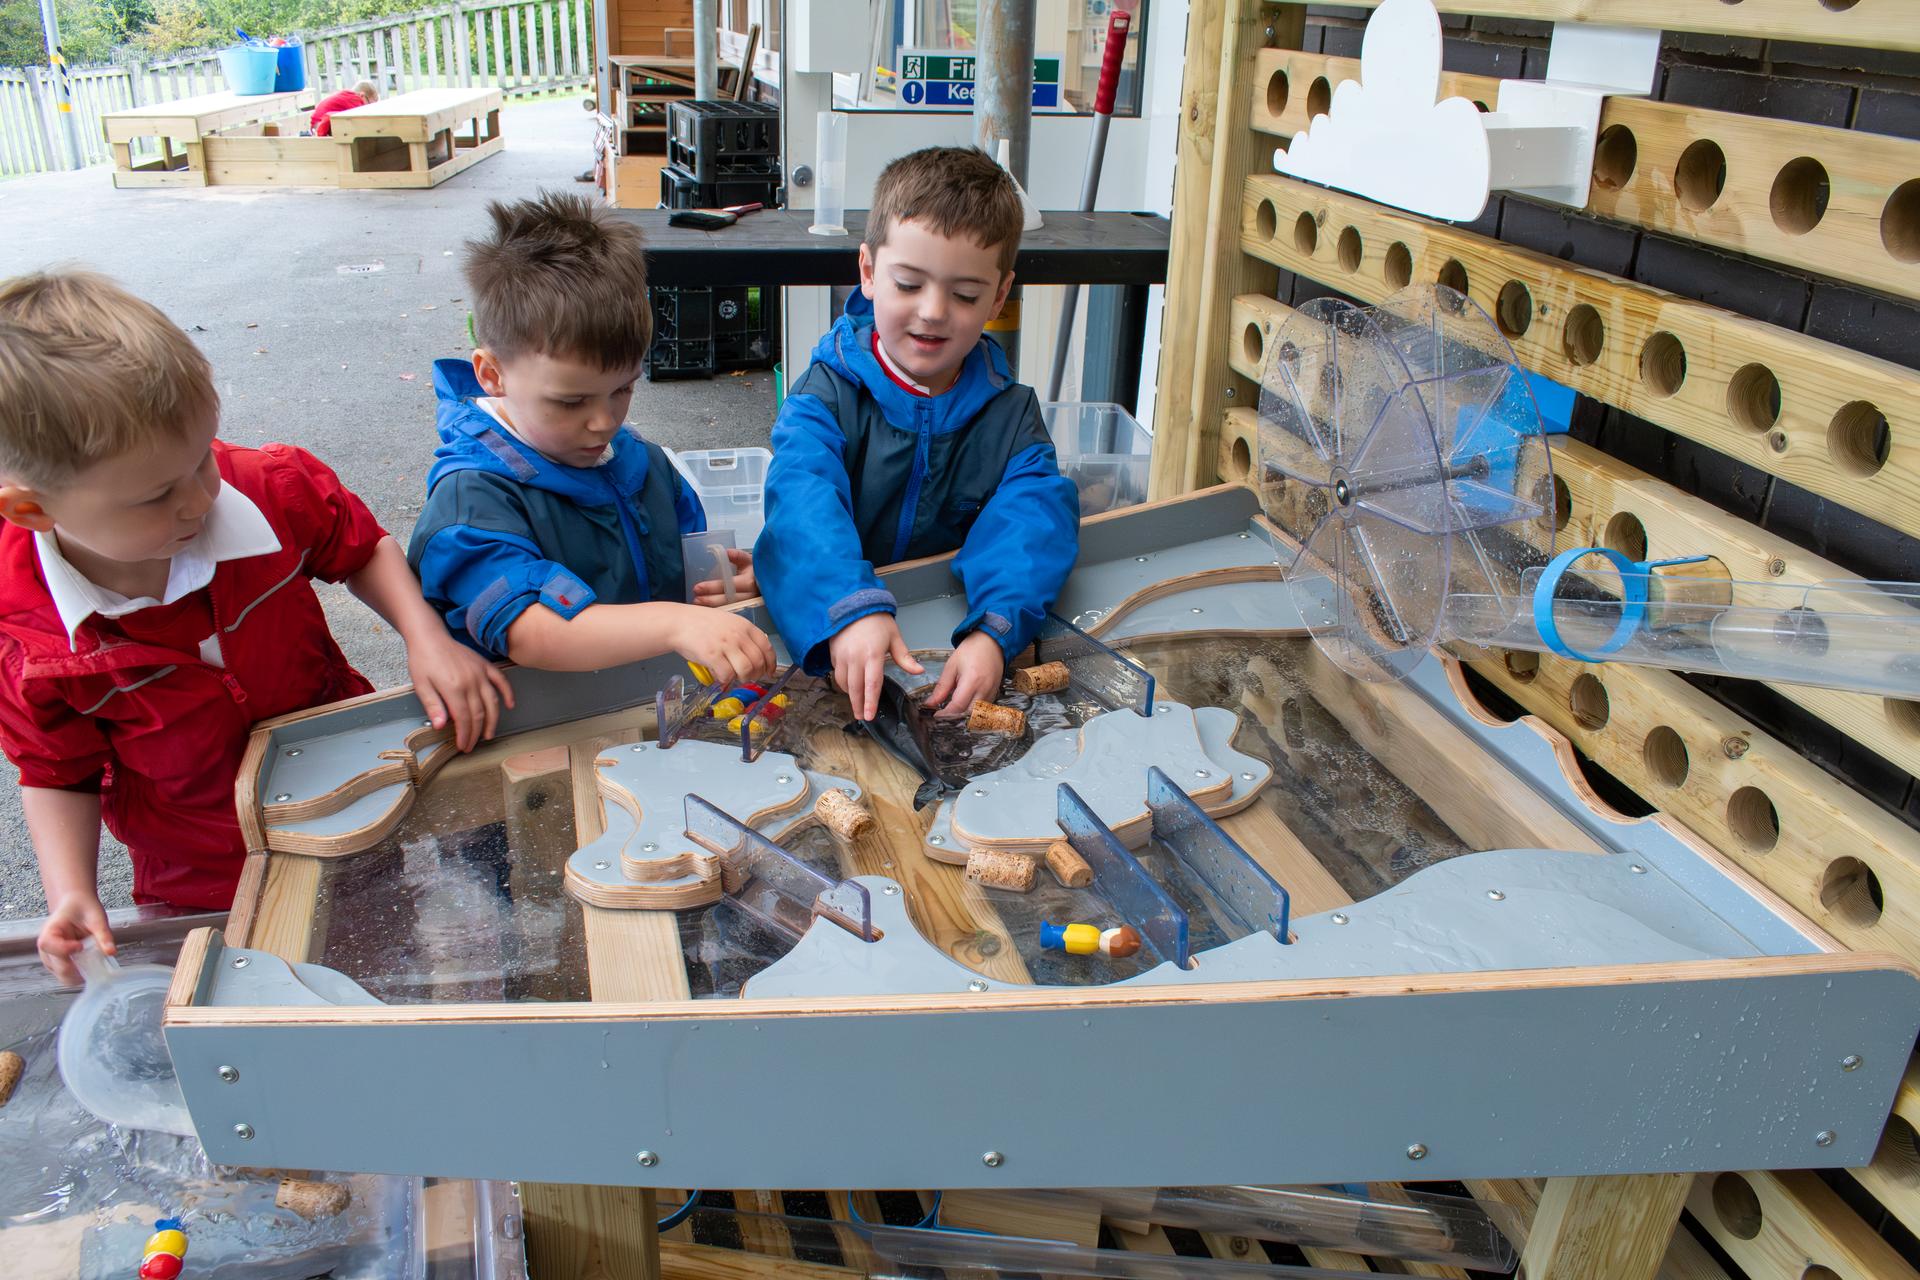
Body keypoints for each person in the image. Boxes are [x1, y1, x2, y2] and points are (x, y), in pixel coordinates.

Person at [0, 271, 512, 982]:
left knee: (379, 954)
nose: (200, 500)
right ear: (32, 511)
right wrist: (71, 891)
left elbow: (356, 544)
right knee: (253, 990)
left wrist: (423, 635)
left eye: (202, 457)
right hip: (201, 863)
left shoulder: (265, 488)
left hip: (350, 794)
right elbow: (56, 770)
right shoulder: (25, 640)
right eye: (157, 495)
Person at [755, 146, 1080, 722]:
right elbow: (803, 506)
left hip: (939, 638)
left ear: (999, 296)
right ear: (869, 272)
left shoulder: (1010, 415)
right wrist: (850, 607)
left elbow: (1032, 524)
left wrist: (994, 631)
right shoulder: (825, 396)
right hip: (833, 636)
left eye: (964, 295)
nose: (933, 312)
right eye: (909, 284)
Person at [408, 192, 774, 687]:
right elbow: (530, 631)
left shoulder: (642, 462)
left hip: (644, 694)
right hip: (543, 718)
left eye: (622, 389)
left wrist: (727, 585)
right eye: (570, 402)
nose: (604, 423)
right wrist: (675, 624)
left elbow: (693, 572)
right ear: (492, 374)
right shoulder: (472, 502)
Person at [310, 78, 378, 137]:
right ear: (362, 96)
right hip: (320, 126)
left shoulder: (347, 95)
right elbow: (362, 119)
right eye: (370, 104)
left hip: (317, 124)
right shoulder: (355, 99)